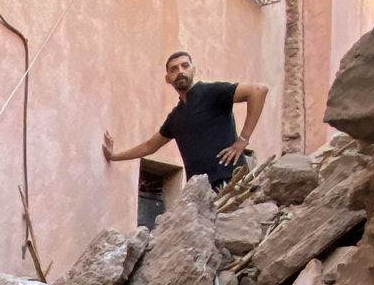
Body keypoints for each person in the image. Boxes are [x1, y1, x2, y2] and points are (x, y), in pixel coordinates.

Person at [102, 50, 269, 187]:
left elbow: (258, 91)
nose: (180, 71)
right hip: (199, 192)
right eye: (174, 69)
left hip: (231, 181)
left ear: (193, 70)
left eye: (185, 66)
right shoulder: (176, 117)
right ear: (168, 79)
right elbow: (149, 147)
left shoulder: (211, 92)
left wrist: (243, 140)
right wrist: (113, 156)